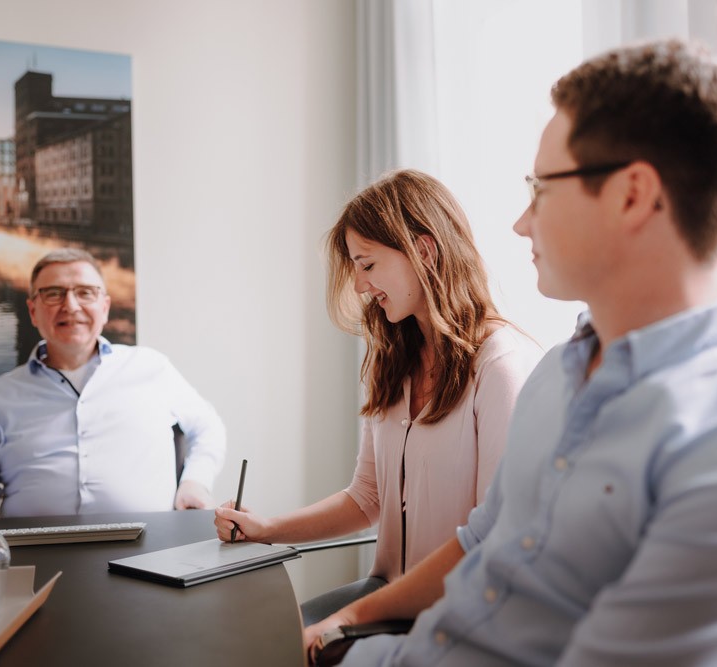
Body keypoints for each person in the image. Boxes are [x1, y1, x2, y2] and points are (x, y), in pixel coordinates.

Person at [303, 39, 717, 667]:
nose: (521, 222)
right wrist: (342, 626)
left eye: (542, 188)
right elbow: (481, 543)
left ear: (632, 195)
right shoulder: (558, 376)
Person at [214, 169, 542, 618]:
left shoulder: (499, 364)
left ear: (424, 251)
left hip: (458, 613)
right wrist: (266, 528)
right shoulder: (395, 359)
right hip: (387, 595)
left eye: (367, 264)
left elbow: (496, 533)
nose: (359, 285)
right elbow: (367, 497)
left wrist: (350, 621)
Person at [0, 248, 225, 533]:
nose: (71, 306)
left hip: (150, 545)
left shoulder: (152, 368)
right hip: (35, 552)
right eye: (53, 293)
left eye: (85, 292)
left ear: (104, 307)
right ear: (33, 310)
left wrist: (195, 481)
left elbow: (207, 427)